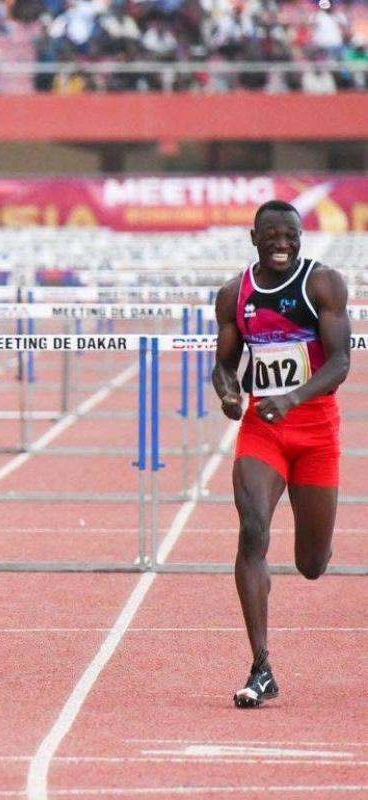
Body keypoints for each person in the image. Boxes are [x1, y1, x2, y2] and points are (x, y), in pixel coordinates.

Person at [213, 200, 351, 708]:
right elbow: (224, 366)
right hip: (262, 432)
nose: (281, 242)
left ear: (300, 237)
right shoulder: (234, 295)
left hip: (314, 432)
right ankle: (261, 664)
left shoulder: (323, 285)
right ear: (253, 238)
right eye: (270, 234)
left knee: (311, 564)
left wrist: (292, 398)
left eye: (289, 234)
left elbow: (339, 363)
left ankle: (317, 543)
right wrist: (228, 395)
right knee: (252, 530)